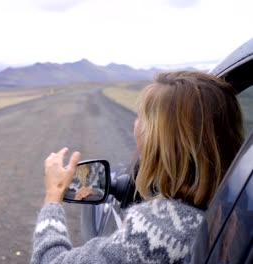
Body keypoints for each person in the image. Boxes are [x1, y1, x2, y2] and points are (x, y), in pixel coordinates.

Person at [31, 71, 244, 264]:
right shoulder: (235, 213)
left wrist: (53, 196)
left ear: (161, 142)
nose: (136, 125)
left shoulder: (156, 233)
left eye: (142, 117)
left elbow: (49, 261)